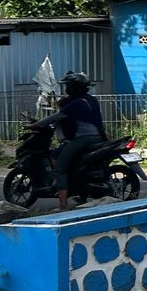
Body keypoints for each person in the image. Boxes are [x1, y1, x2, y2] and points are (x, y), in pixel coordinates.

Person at [38, 71, 107, 212]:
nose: (66, 89)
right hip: (99, 137)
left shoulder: (75, 104)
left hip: (84, 139)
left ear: (73, 87)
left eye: (68, 86)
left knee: (60, 168)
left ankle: (63, 205)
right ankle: (80, 193)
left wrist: (36, 125)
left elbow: (56, 117)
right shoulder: (91, 100)